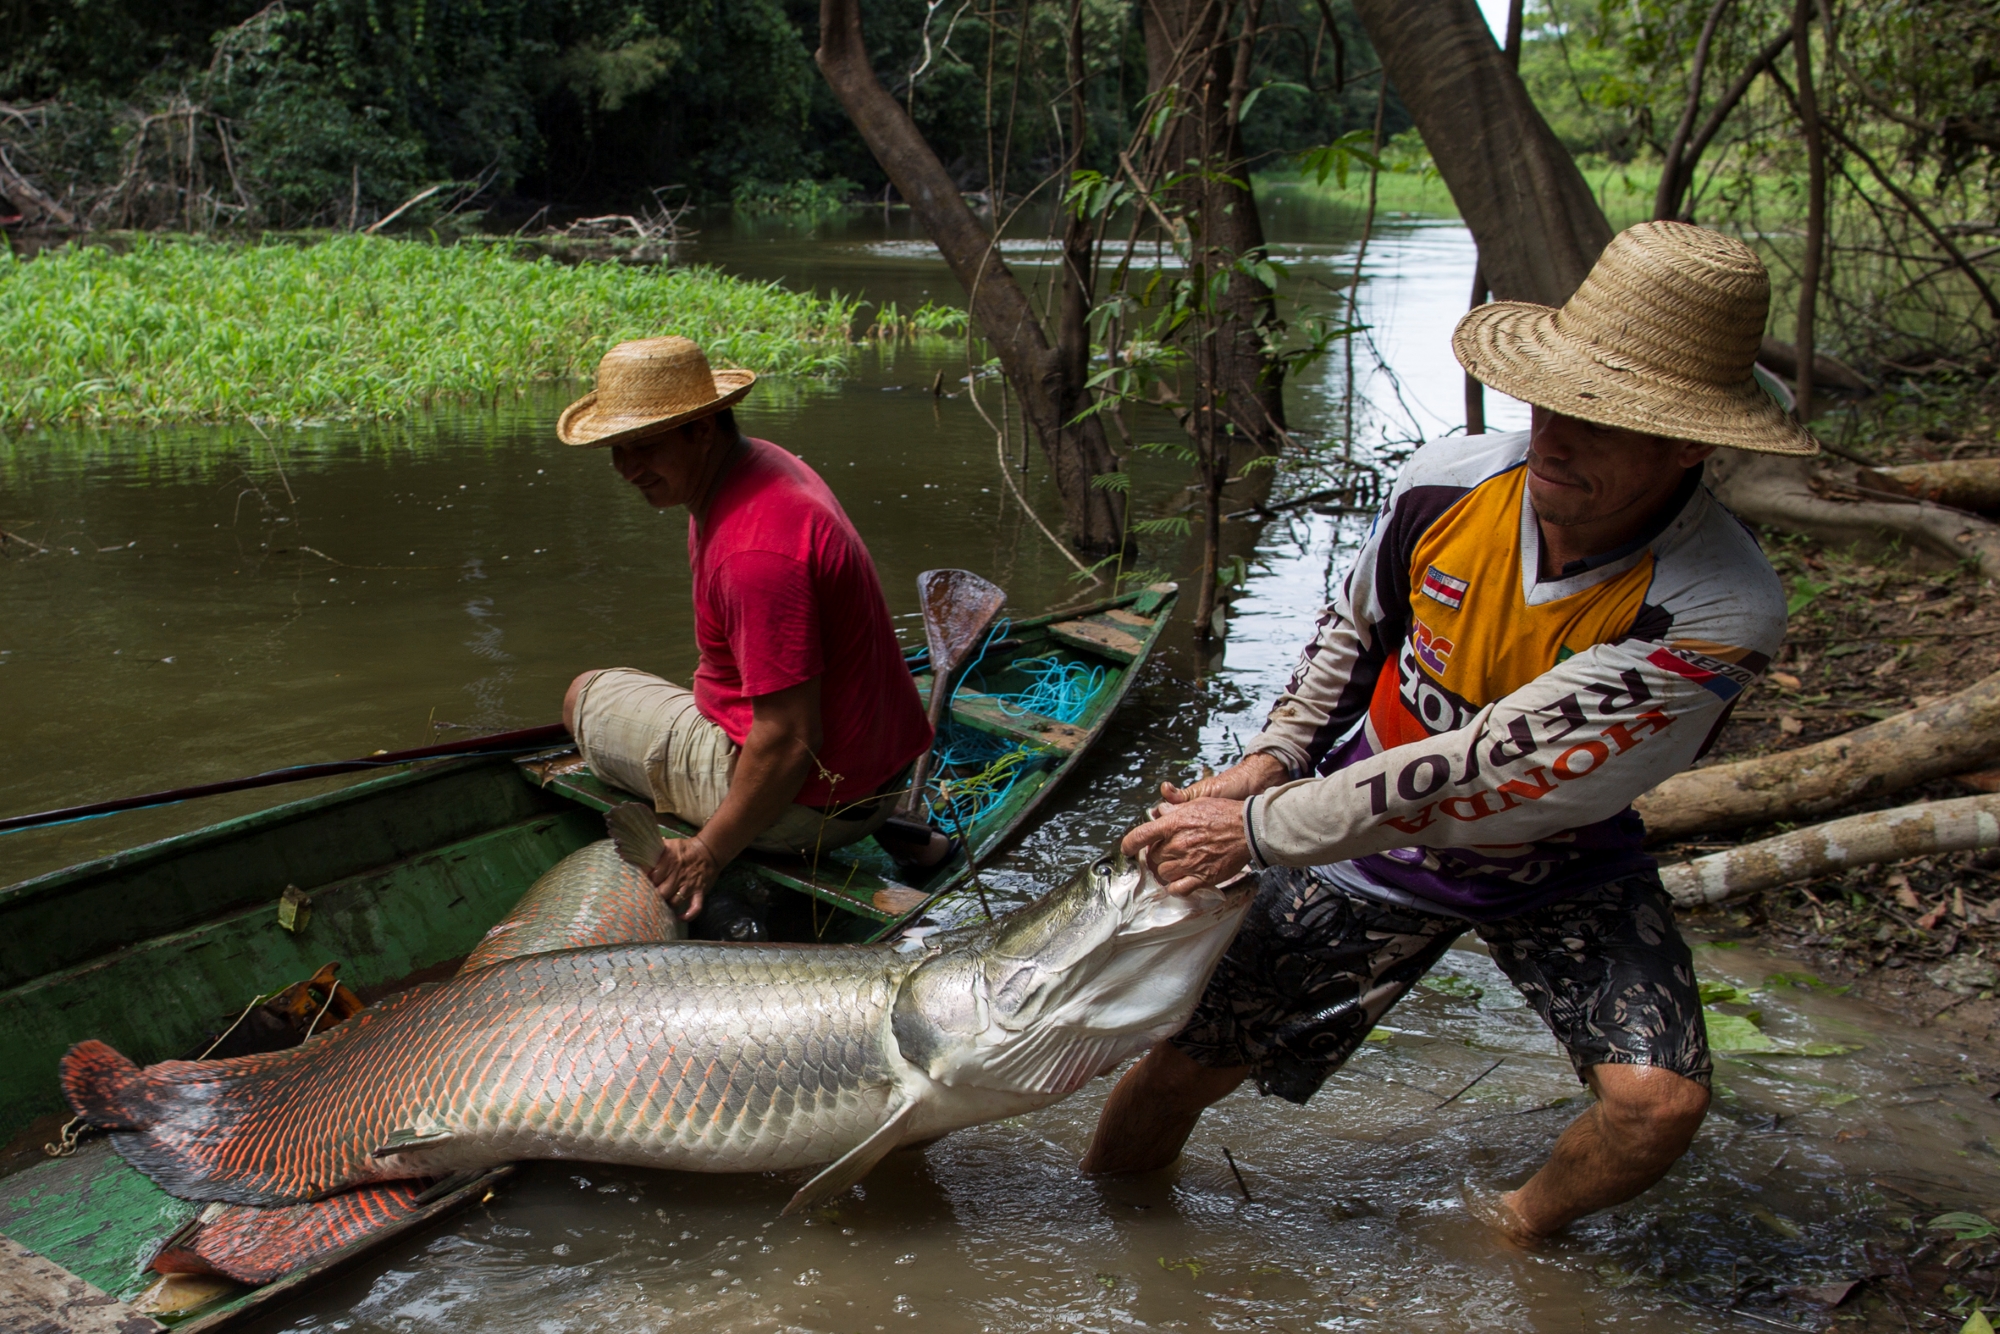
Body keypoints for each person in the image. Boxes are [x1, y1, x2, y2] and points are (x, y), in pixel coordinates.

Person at [1082, 222, 1816, 1243]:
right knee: (1180, 1068)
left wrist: (1251, 830)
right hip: (1358, 841)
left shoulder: (1712, 608)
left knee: (1657, 1104)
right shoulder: (1449, 481)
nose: (1555, 435)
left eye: (1602, 421)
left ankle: (1506, 1228)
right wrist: (1264, 761)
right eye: (1552, 401)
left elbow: (1488, 765)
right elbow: (1354, 633)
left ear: (1684, 441)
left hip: (1555, 859)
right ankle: (1119, 1236)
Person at [557, 336, 939, 922]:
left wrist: (708, 852)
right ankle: (894, 831)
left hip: (807, 805)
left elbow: (788, 736)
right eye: (616, 448)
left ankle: (763, 836)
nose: (627, 469)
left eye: (645, 447)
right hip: (873, 782)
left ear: (703, 429)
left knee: (585, 694)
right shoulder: (762, 462)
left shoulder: (753, 553)